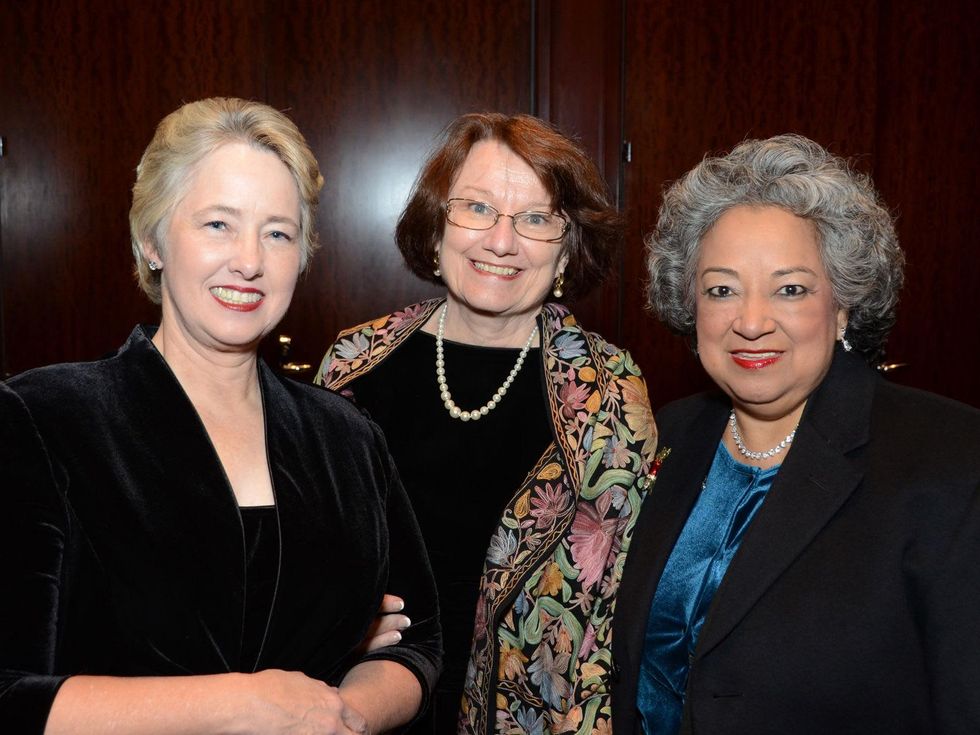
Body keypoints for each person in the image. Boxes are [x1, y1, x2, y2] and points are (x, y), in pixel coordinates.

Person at [0, 97, 440, 735]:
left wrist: (340, 716)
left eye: (278, 232)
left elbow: (418, 641)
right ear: (152, 239)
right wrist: (244, 705)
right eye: (217, 225)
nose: (250, 260)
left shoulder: (346, 437)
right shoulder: (43, 420)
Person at [611, 134, 980, 734]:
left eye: (790, 289)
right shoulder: (660, 438)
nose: (751, 322)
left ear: (842, 306)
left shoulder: (952, 463)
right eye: (722, 289)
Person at [318, 113, 658, 734]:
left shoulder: (609, 392)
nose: (501, 242)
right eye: (476, 208)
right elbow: (301, 552)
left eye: (535, 218)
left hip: (530, 716)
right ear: (436, 226)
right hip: (359, 700)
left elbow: (618, 602)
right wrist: (335, 626)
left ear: (566, 245)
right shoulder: (351, 364)